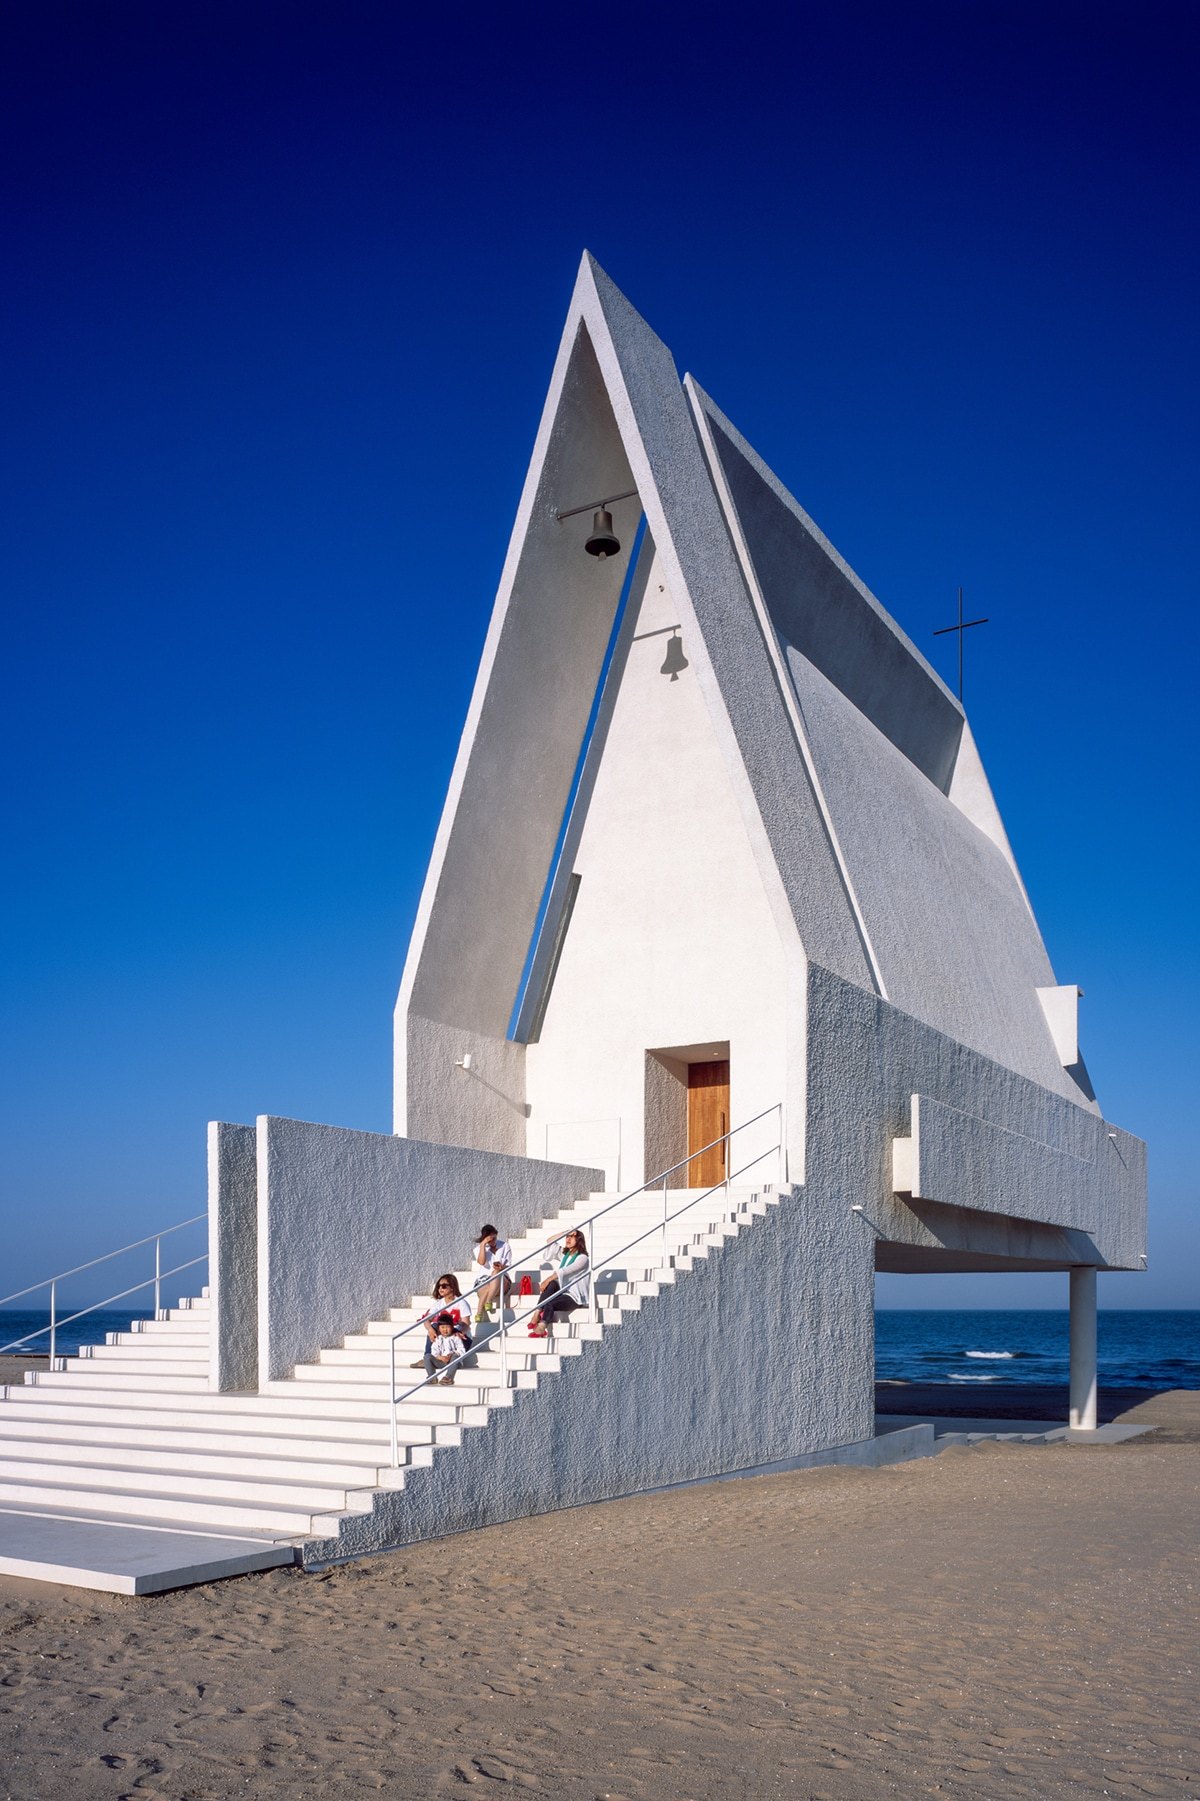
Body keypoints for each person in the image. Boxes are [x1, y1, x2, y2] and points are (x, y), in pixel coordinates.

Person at [527, 1228, 590, 1337]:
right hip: (562, 1291)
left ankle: (542, 1326)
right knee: (552, 1284)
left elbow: (566, 1271)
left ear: (579, 1240)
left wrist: (547, 1279)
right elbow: (549, 1241)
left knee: (550, 1301)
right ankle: (537, 1312)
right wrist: (566, 1232)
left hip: (575, 1297)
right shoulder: (565, 1255)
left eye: (571, 1237)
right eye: (567, 1237)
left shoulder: (583, 1258)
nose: (568, 1239)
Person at [411, 1274, 474, 1367]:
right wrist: (430, 1330)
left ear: (452, 1287)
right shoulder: (439, 1304)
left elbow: (466, 1324)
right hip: (444, 1337)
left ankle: (440, 1360)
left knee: (441, 1328)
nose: (441, 1288)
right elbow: (426, 1320)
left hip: (460, 1336)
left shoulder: (461, 1302)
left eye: (444, 1286)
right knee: (434, 1326)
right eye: (439, 1286)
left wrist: (460, 1333)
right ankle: (427, 1357)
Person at [470, 1224, 513, 1322]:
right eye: (489, 1240)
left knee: (496, 1272)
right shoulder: (479, 1249)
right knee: (486, 1286)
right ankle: (480, 1312)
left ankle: (487, 1302)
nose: (492, 1242)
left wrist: (502, 1267)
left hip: (502, 1279)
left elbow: (509, 1264)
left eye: (494, 1239)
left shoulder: (504, 1246)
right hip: (484, 1279)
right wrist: (482, 1245)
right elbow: (481, 1262)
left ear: (496, 1235)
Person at [423, 1312, 467, 1385]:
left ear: (452, 1327)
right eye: (442, 1327)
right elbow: (434, 1351)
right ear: (439, 1328)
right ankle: (432, 1377)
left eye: (447, 1327)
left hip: (454, 1362)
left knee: (455, 1356)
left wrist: (452, 1355)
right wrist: (440, 1357)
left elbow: (462, 1350)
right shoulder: (438, 1338)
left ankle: (448, 1377)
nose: (445, 1330)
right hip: (442, 1362)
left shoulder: (456, 1338)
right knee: (427, 1356)